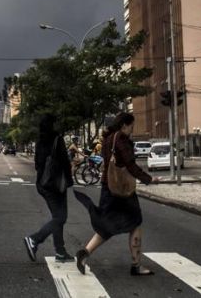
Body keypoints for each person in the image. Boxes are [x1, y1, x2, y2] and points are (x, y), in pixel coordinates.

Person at [73, 111, 159, 276]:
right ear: (124, 125)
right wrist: (149, 179)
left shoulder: (107, 138)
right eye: (131, 126)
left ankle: (85, 252)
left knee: (107, 224)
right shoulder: (120, 139)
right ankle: (136, 265)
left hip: (108, 186)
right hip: (122, 189)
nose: (132, 130)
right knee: (135, 222)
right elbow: (130, 164)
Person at [24, 114, 75, 263]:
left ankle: (60, 251)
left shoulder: (40, 141)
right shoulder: (57, 140)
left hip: (43, 183)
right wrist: (69, 181)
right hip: (56, 185)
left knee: (58, 217)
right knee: (60, 217)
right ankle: (34, 239)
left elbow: (37, 164)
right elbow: (65, 162)